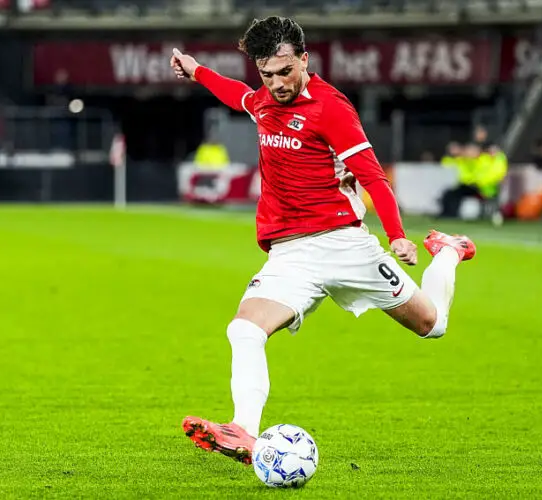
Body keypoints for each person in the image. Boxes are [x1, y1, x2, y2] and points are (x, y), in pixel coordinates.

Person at [171, 16, 477, 465]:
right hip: (290, 253)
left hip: (344, 246)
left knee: (433, 325)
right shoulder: (263, 100)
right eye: (267, 75)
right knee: (244, 329)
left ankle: (449, 251)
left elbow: (373, 176)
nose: (276, 84)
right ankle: (243, 431)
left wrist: (397, 237)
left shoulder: (332, 108)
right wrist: (196, 69)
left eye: (285, 72)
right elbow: (235, 93)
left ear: (304, 60)